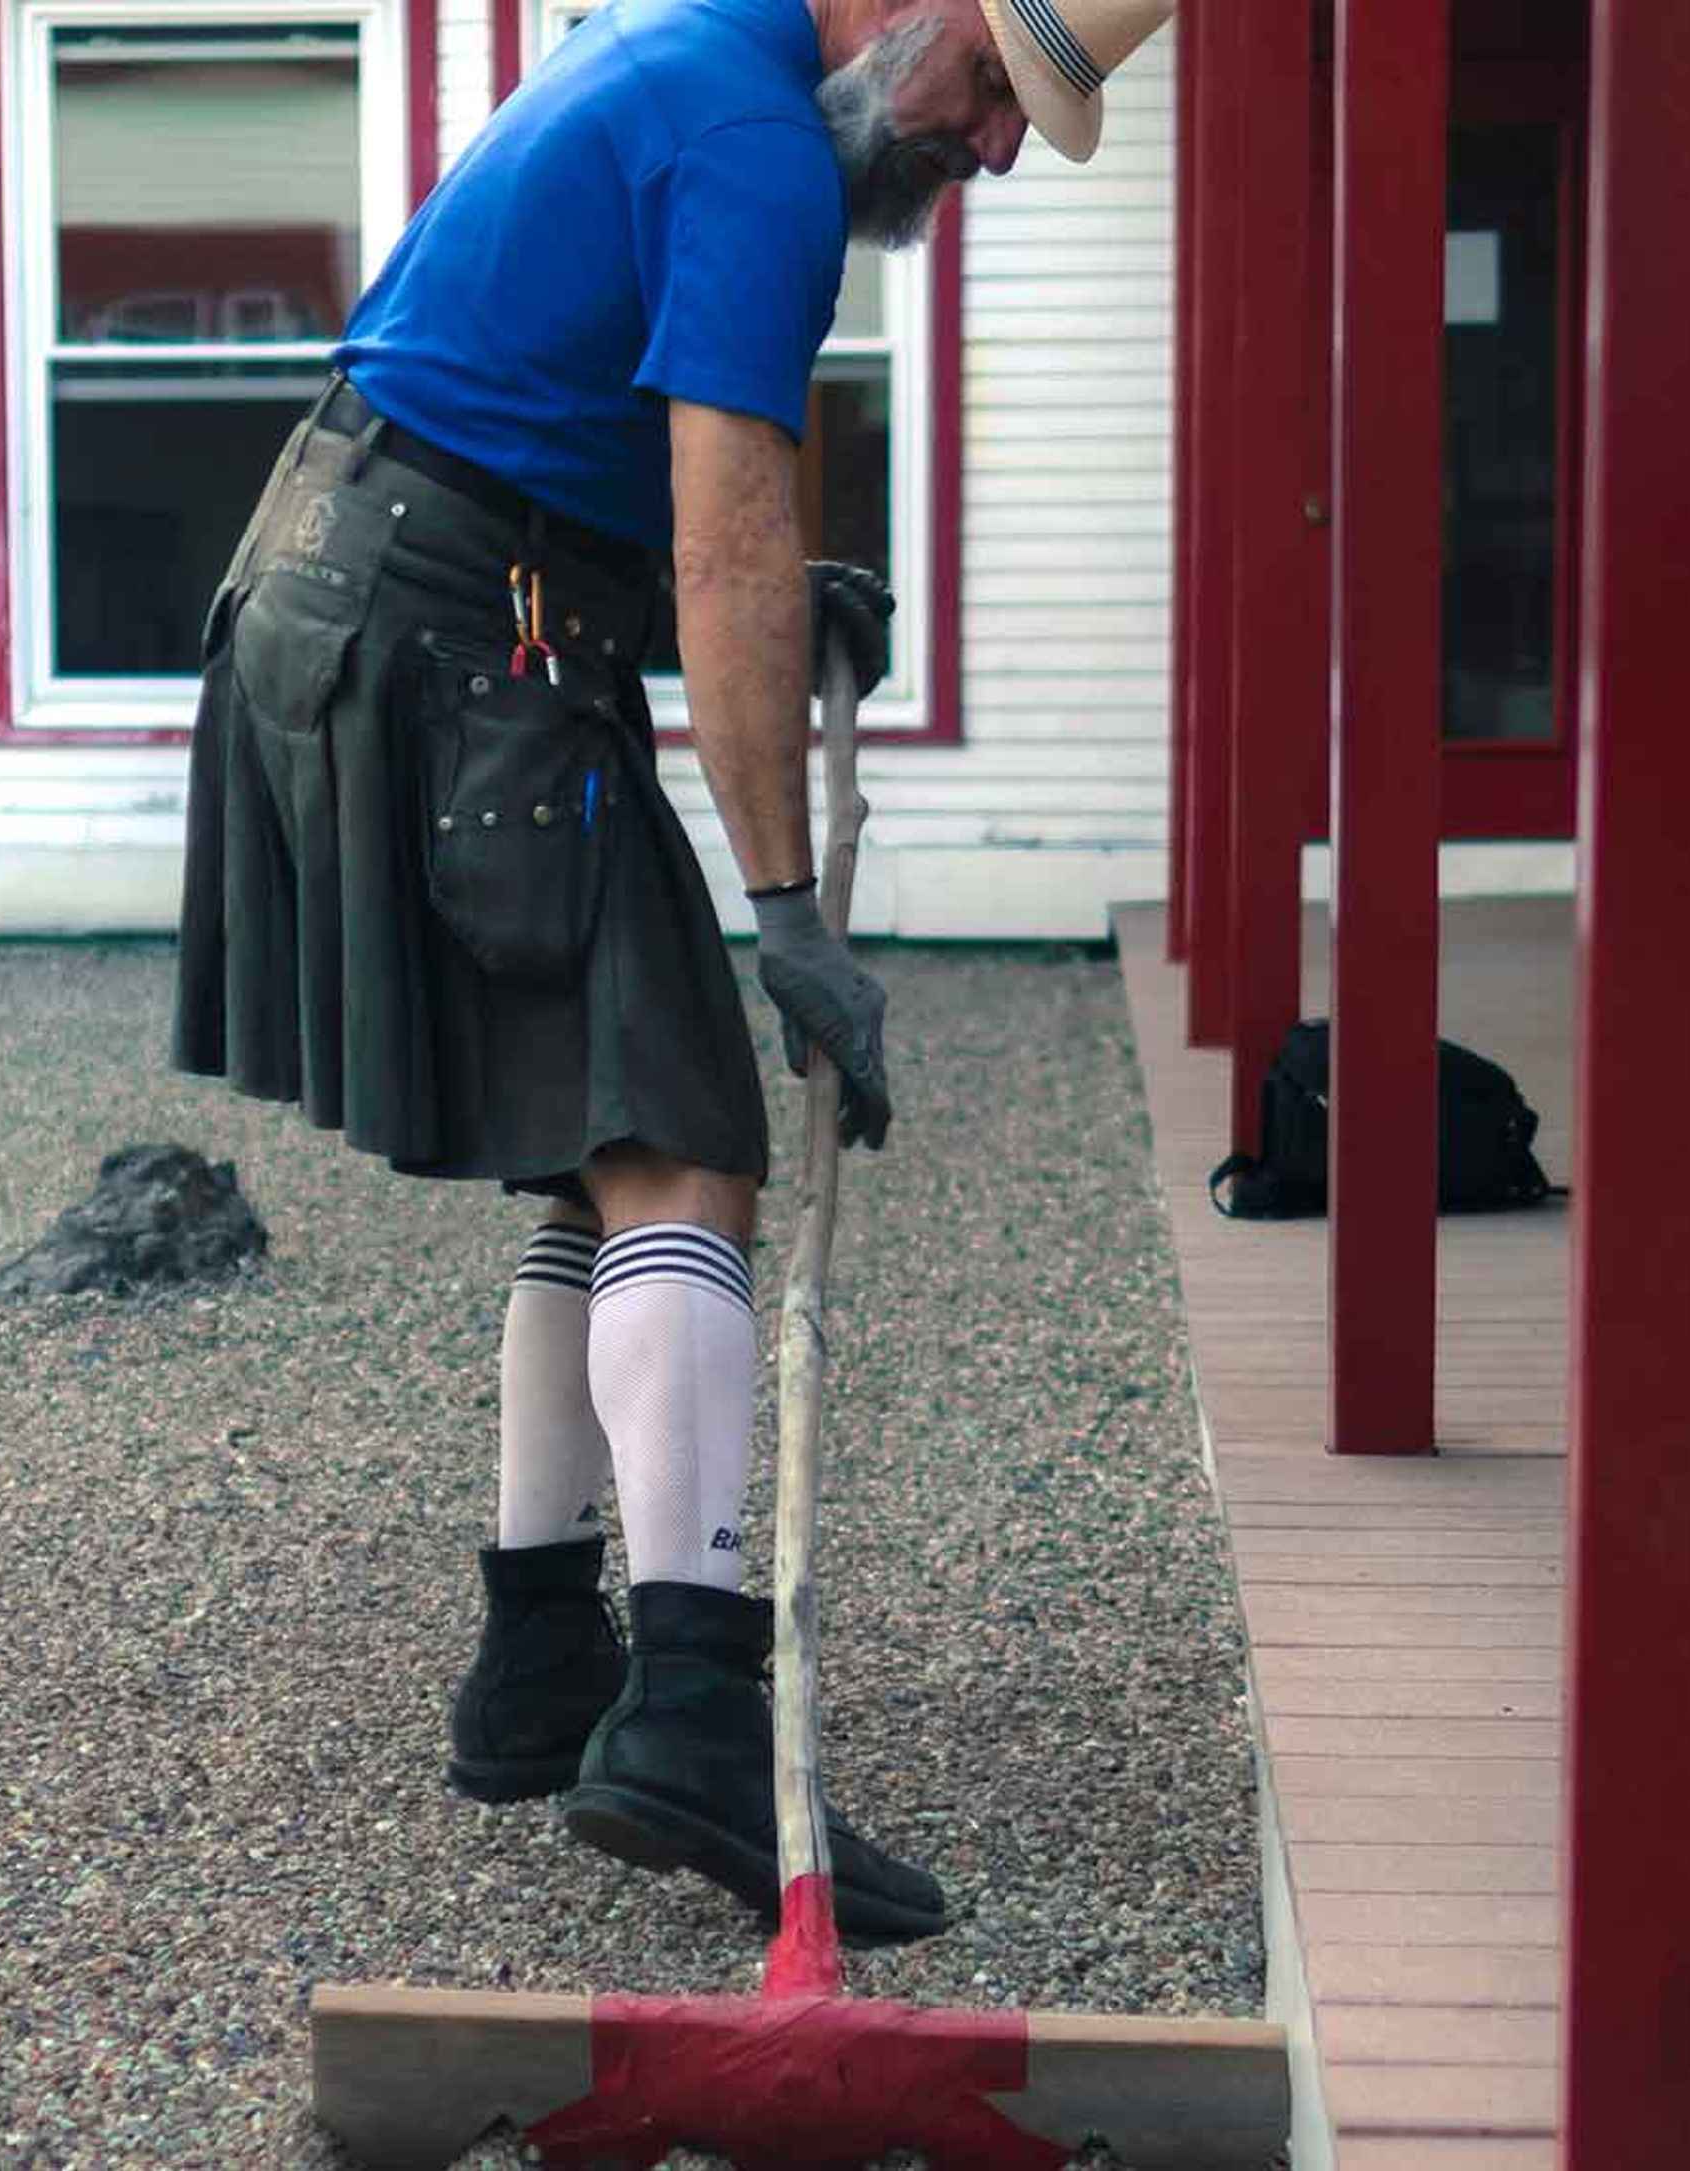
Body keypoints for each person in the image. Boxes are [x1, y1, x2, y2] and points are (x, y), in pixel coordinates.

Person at [172, 0, 1176, 1942]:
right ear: (904, 16)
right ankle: (698, 1710)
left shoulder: (681, 55)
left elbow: (629, 452)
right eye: (990, 95)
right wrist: (791, 914)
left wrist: (777, 592)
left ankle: (543, 1661)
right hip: (462, 631)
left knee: (599, 1136)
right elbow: (728, 550)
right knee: (688, 1149)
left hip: (366, 588)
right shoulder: (758, 148)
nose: (984, 152)